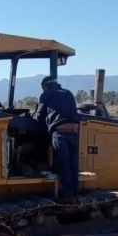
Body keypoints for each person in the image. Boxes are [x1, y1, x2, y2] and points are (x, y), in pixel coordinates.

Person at [35, 75, 80, 203]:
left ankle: (67, 195)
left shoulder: (47, 94)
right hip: (74, 132)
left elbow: (39, 115)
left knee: (63, 164)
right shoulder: (68, 93)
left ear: (46, 86)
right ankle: (75, 194)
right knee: (73, 164)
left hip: (60, 133)